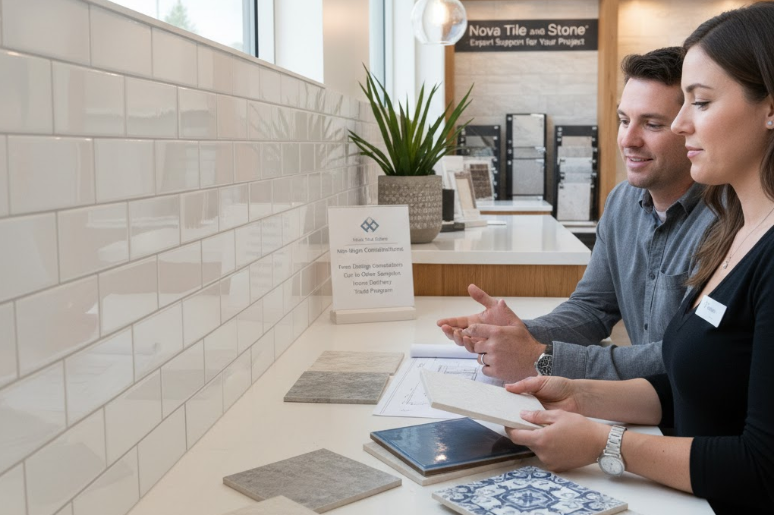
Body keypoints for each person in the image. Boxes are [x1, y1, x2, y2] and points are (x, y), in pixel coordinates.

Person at [505, 4, 774, 513]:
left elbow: (761, 466)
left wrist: (606, 445)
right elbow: (703, 386)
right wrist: (581, 396)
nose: (680, 124)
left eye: (700, 103)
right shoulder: (736, 232)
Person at [437, 47, 716, 382]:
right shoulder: (622, 203)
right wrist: (519, 332)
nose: (627, 139)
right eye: (624, 120)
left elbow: (687, 356)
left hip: (685, 418)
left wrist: (543, 357)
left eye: (652, 124)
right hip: (638, 406)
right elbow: (592, 309)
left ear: (691, 127)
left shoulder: (728, 222)